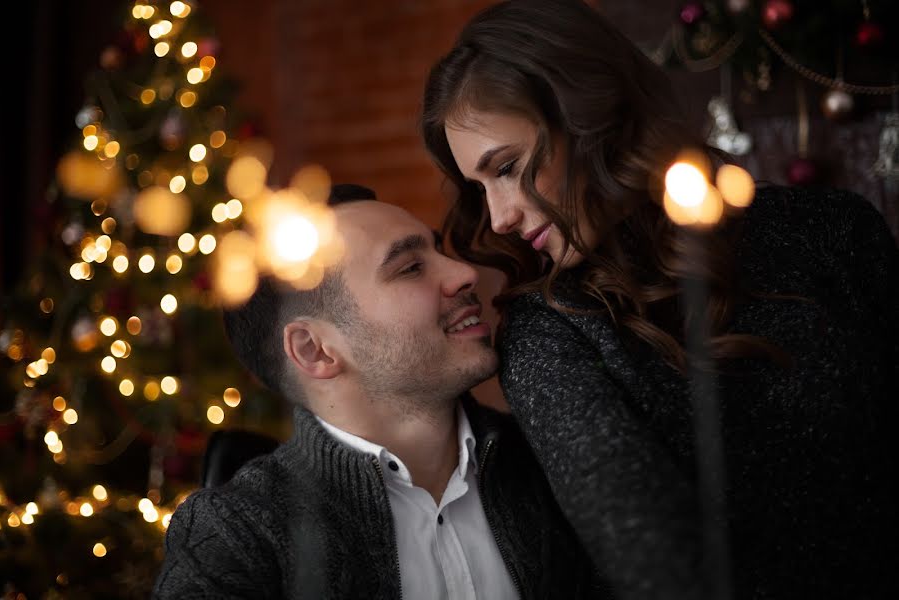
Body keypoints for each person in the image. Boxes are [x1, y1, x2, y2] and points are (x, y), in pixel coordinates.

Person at [421, 1, 899, 599]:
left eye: (510, 167)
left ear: (589, 114)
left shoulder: (832, 229)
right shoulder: (552, 330)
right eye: (480, 187)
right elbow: (649, 556)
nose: (498, 218)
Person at [152, 184, 604, 599]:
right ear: (315, 350)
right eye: (410, 268)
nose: (465, 272)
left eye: (439, 249)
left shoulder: (553, 454)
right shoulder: (236, 533)